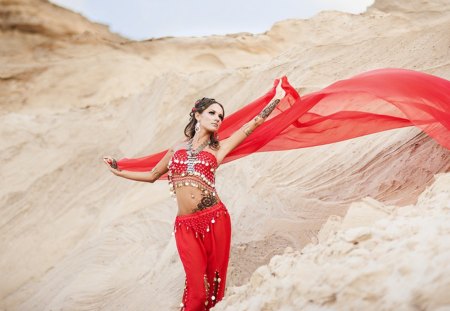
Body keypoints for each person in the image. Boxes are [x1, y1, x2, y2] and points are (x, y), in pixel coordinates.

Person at [103, 97, 280, 310]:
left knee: (213, 290)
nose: (217, 119)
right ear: (197, 115)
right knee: (197, 291)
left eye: (221, 116)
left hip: (215, 220)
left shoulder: (219, 148)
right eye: (212, 113)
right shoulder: (176, 148)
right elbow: (152, 175)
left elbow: (252, 124)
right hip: (185, 227)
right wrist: (118, 172)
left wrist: (277, 97)